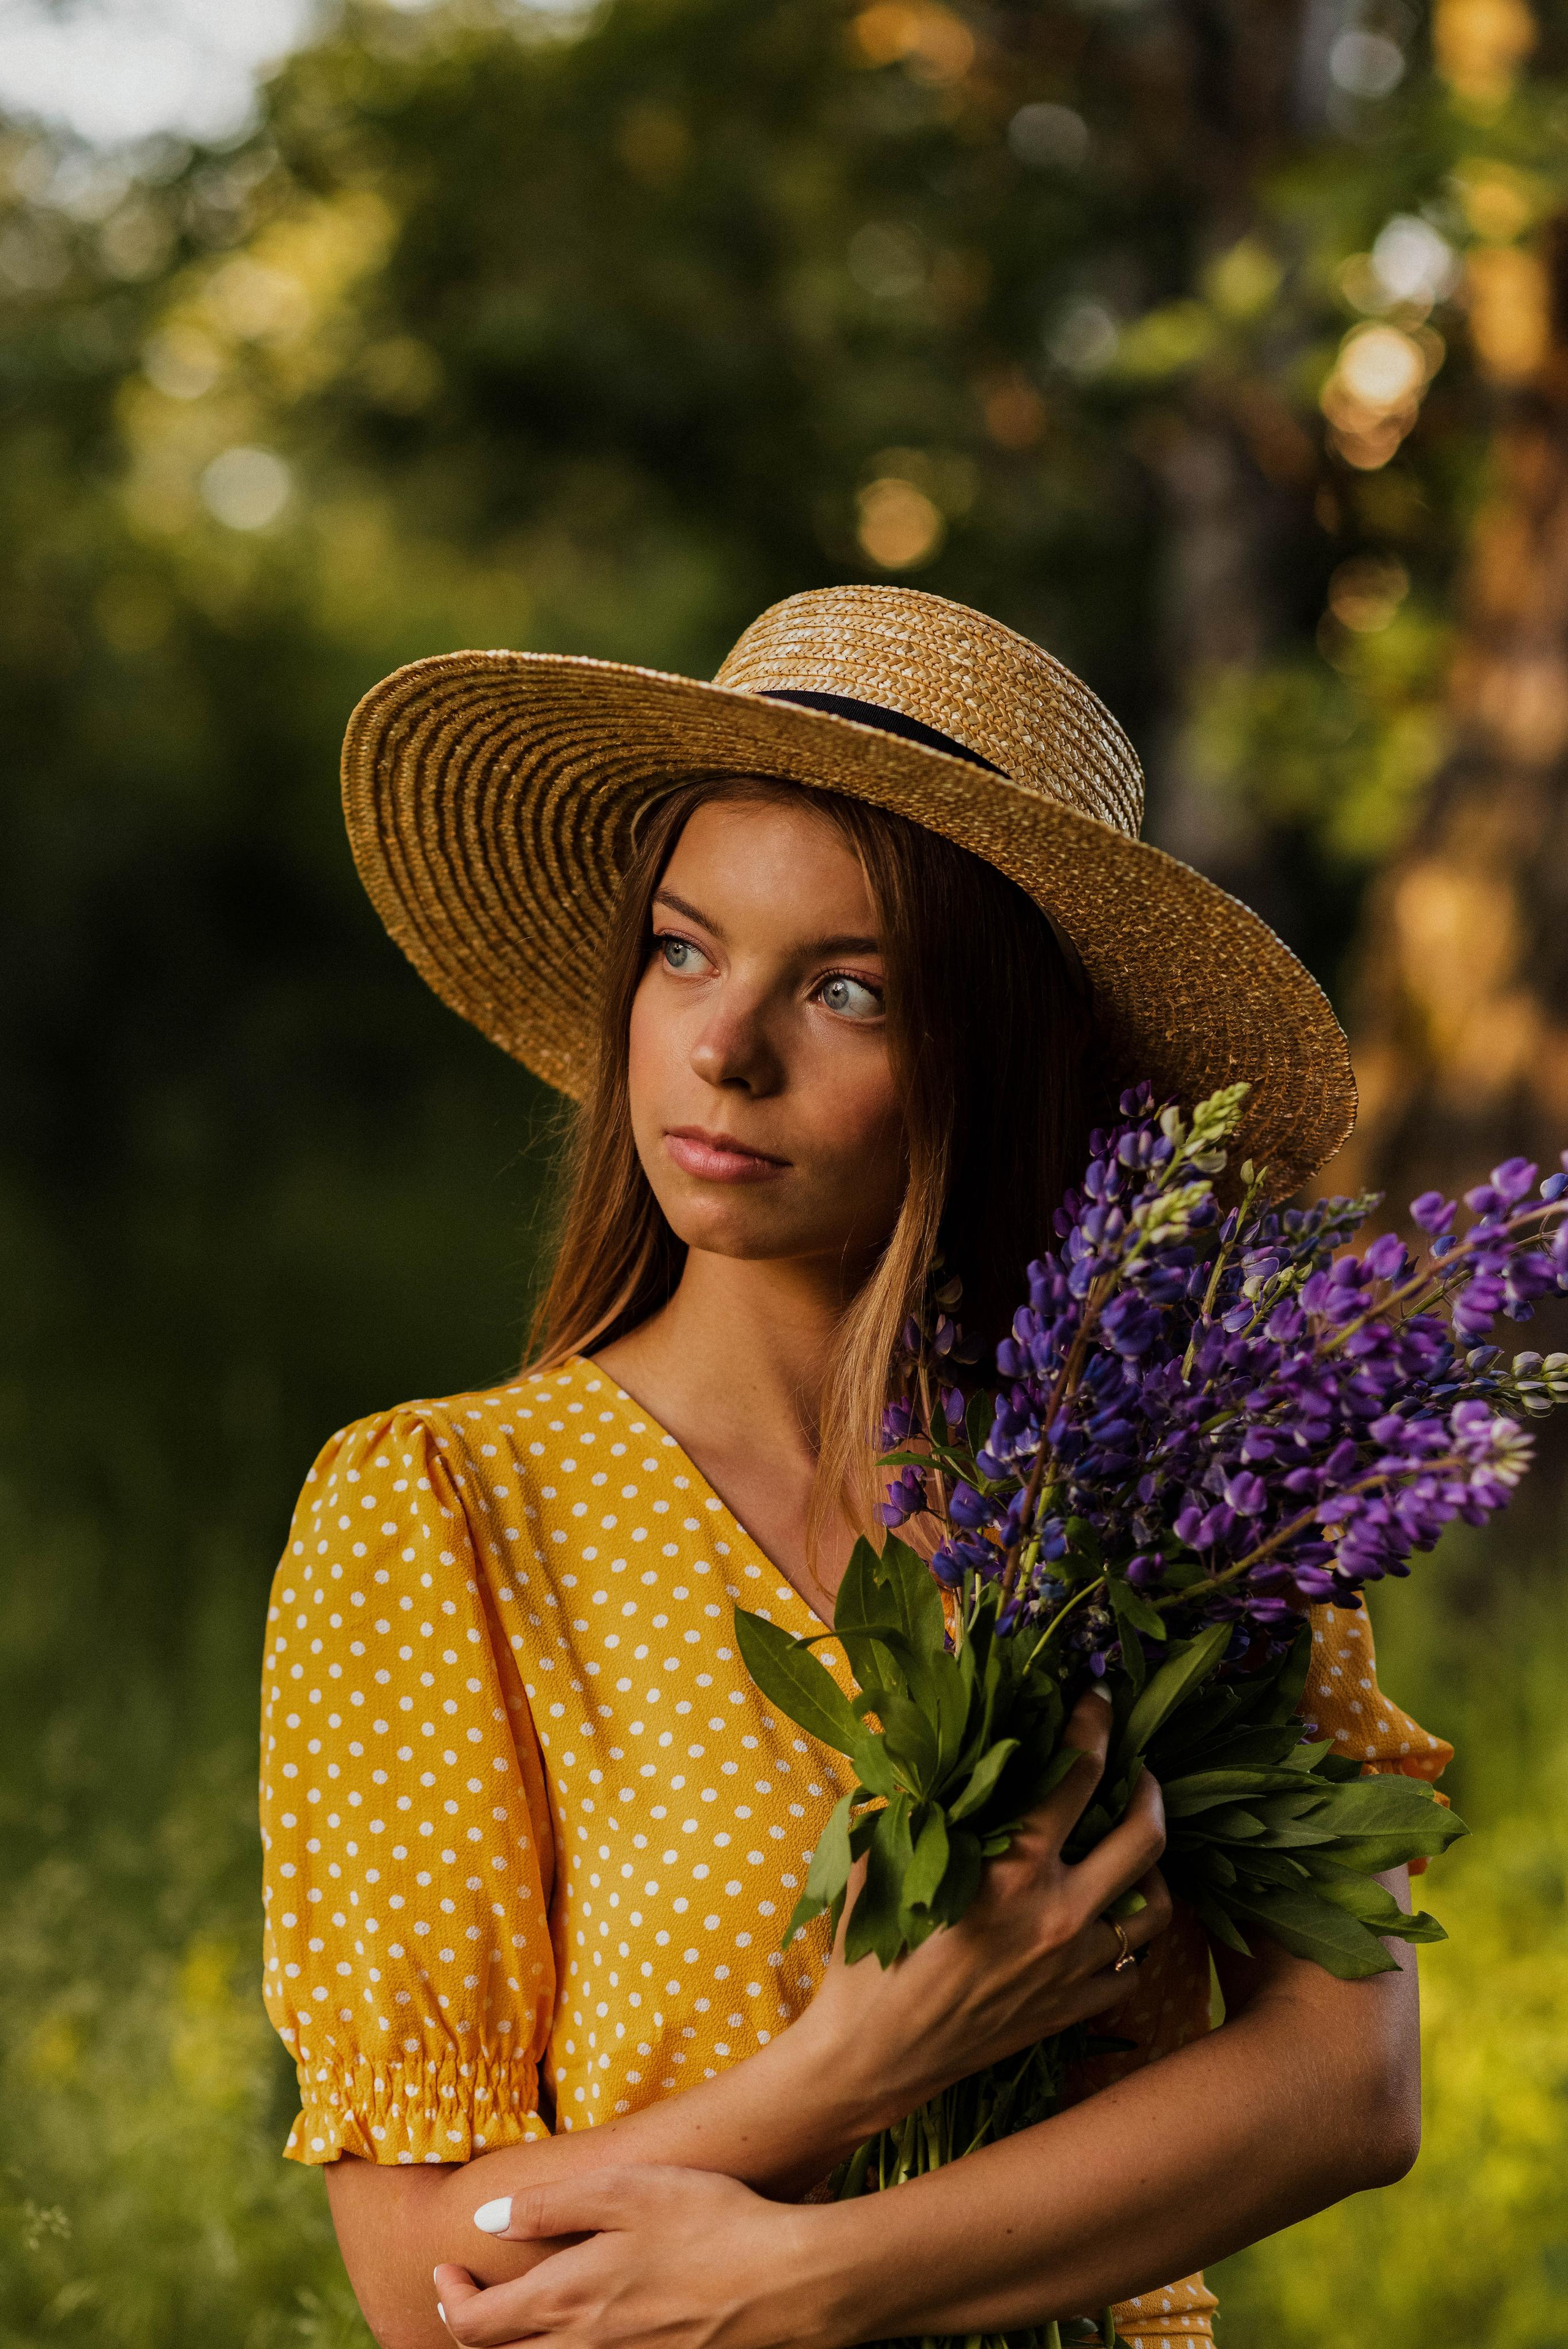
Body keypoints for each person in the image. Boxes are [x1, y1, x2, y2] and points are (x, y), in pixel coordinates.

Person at [261, 586, 1452, 2349]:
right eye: (683, 949)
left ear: (1000, 1054)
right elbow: (432, 2286)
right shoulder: (443, 1511)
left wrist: (806, 2280)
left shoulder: (1180, 1506)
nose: (725, 1048)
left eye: (845, 989)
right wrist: (855, 2062)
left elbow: (1352, 2077)